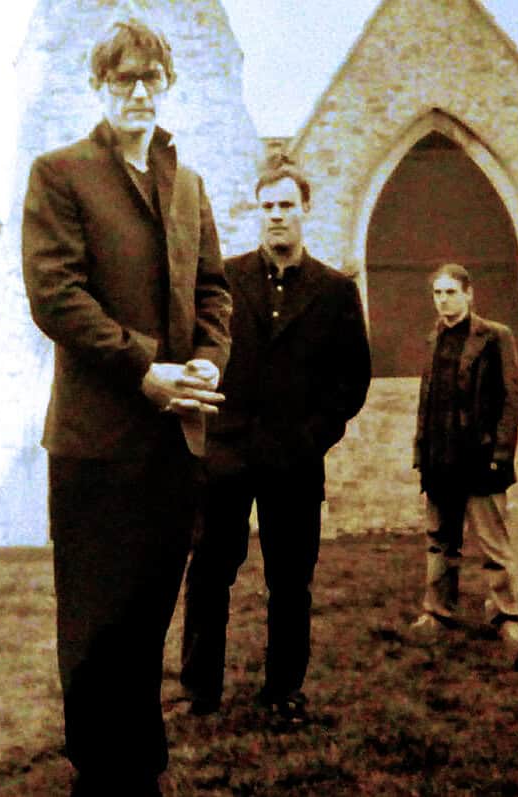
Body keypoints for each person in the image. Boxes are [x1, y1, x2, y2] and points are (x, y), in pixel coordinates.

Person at [21, 18, 232, 796]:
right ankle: (99, 771)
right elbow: (55, 295)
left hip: (173, 440)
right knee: (94, 622)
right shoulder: (61, 173)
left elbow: (215, 291)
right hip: (94, 442)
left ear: (168, 84)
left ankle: (137, 770)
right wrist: (149, 368)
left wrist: (206, 364)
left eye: (150, 79)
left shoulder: (189, 184)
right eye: (122, 80)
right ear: (100, 87)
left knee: (147, 616)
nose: (138, 92)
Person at [179, 157, 371, 723]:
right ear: (256, 213)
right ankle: (199, 692)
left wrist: (311, 438)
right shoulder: (225, 282)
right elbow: (200, 353)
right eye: (267, 207)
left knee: (291, 581)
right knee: (210, 572)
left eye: (287, 205)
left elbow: (351, 381)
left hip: (294, 461)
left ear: (305, 210)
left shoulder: (336, 292)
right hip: (227, 458)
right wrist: (213, 438)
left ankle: (285, 689)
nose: (277, 217)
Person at [408, 263, 518, 645]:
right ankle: (438, 611)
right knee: (440, 541)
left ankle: (507, 614)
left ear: (468, 294)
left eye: (451, 292)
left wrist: (500, 453)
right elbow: (427, 401)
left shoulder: (495, 337)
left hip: (480, 460)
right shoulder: (434, 339)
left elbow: (512, 399)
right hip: (440, 459)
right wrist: (421, 451)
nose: (443, 301)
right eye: (438, 293)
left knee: (493, 545)